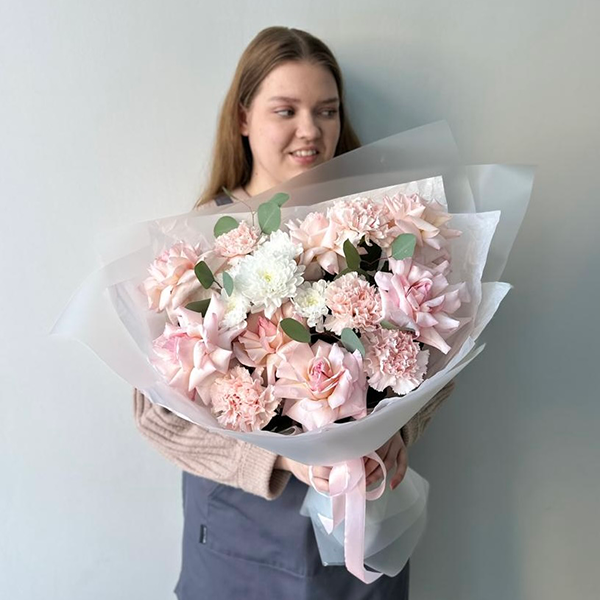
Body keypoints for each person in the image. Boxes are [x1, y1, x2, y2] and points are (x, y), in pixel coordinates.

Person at [134, 26, 455, 599]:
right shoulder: (194, 252)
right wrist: (285, 462)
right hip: (240, 546)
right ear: (243, 118)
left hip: (360, 528)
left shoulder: (377, 228)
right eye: (287, 110)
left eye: (327, 111)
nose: (311, 130)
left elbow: (437, 354)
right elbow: (156, 418)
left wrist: (397, 431)